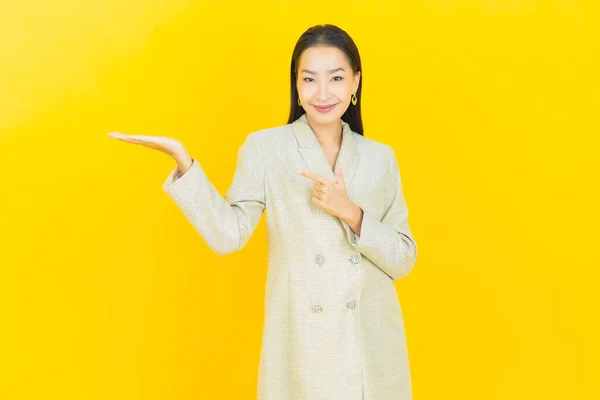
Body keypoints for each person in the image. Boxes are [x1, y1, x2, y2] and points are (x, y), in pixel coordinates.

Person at [108, 24, 418, 400]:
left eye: (336, 78)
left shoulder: (378, 158)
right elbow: (228, 236)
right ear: (296, 86)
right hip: (303, 346)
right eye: (309, 79)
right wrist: (183, 161)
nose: (323, 93)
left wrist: (352, 212)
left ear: (355, 83)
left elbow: (403, 259)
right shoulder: (266, 149)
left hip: (369, 347)